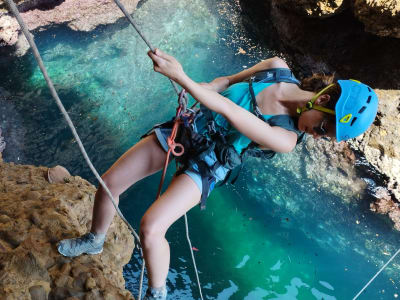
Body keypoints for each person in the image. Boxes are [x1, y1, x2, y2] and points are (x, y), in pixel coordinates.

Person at [57, 49, 378, 299]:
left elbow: (231, 111)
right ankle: (95, 240)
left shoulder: (287, 140)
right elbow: (225, 84)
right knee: (110, 182)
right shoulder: (275, 67)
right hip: (189, 128)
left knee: (151, 227)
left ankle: (156, 295)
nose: (319, 136)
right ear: (322, 100)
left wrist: (183, 78)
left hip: (211, 162)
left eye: (327, 136)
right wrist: (188, 82)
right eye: (324, 128)